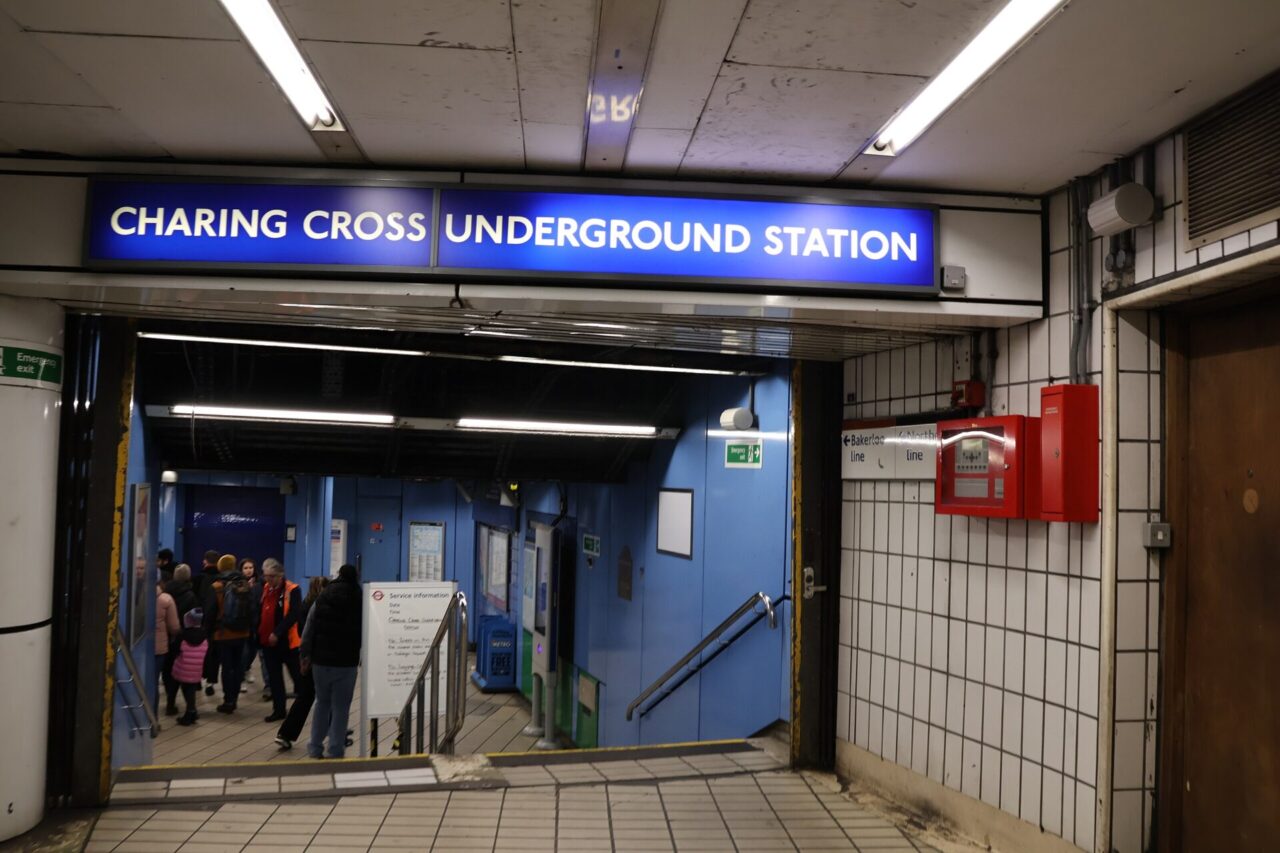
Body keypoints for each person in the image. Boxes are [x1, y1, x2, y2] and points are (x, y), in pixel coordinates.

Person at [303, 564, 361, 759]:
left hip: (321, 661)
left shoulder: (323, 596)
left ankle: (315, 746)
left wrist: (305, 654)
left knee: (322, 703)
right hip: (346, 662)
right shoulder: (359, 598)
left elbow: (309, 628)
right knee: (341, 708)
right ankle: (336, 749)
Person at [275, 576, 326, 750]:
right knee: (330, 697)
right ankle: (337, 733)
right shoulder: (325, 607)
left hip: (308, 658)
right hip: (323, 659)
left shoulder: (304, 606)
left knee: (305, 697)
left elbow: (300, 632)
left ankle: (285, 734)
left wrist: (304, 657)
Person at [204, 554, 252, 713]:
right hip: (243, 632)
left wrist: (207, 632)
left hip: (223, 633)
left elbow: (210, 613)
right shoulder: (245, 585)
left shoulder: (217, 586)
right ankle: (235, 698)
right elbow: (253, 609)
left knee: (227, 667)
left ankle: (228, 700)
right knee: (238, 667)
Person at [258, 558, 303, 724]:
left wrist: (277, 632)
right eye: (266, 576)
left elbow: (294, 614)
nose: (268, 579)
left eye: (272, 576)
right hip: (268, 644)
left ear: (280, 575)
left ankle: (304, 707)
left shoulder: (293, 589)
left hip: (288, 643)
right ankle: (279, 710)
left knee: (298, 678)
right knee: (275, 678)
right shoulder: (265, 588)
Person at [162, 564, 200, 715]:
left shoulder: (165, 593)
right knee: (183, 671)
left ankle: (170, 703)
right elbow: (195, 621)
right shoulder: (191, 596)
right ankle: (190, 707)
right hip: (183, 638)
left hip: (165, 637)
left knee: (168, 671)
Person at [171, 608, 208, 726]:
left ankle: (190, 713)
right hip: (197, 668)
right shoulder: (204, 636)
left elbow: (175, 650)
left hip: (183, 668)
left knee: (186, 689)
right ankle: (192, 711)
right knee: (191, 689)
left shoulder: (183, 635)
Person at [194, 549, 222, 695]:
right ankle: (210, 682)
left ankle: (197, 680)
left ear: (205, 561)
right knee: (213, 654)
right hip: (217, 622)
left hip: (200, 620)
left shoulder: (199, 578)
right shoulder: (221, 579)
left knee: (198, 652)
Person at [237, 558, 266, 693]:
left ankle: (247, 668)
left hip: (257, 623)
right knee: (244, 652)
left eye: (251, 568)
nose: (249, 570)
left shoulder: (260, 584)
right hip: (243, 623)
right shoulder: (237, 583)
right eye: (245, 568)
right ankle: (241, 676)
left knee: (253, 651)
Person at [153, 580, 179, 716]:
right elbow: (174, 627)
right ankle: (153, 718)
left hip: (137, 647)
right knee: (153, 682)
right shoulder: (166, 599)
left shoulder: (136, 594)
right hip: (159, 646)